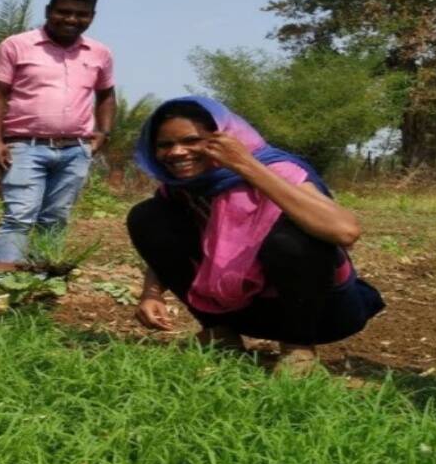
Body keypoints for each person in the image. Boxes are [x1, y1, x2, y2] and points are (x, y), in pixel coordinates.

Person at [125, 96, 385, 373]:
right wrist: (151, 293)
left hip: (322, 313)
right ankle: (220, 336)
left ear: (226, 137)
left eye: (192, 140)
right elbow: (166, 247)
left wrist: (245, 166)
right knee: (146, 216)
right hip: (240, 310)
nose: (177, 152)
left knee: (292, 239)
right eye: (165, 145)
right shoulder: (183, 188)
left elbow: (345, 232)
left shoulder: (277, 170)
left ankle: (298, 351)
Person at [0, 0, 116, 264]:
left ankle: (42, 281)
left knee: (56, 217)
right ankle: (2, 286)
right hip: (24, 147)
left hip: (75, 150)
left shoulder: (100, 53)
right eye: (63, 12)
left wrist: (103, 133)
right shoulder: (17, 46)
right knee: (19, 216)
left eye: (81, 14)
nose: (71, 19)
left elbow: (106, 95)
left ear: (92, 16)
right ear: (48, 11)